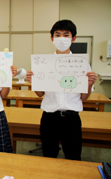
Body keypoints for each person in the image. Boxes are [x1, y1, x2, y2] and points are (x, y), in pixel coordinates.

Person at [26, 19, 98, 160]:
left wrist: (89, 83)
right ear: (52, 38)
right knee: (48, 155)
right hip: (49, 117)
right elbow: (40, 94)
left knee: (73, 156)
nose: (61, 39)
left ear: (73, 38)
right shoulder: (44, 62)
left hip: (72, 118)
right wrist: (33, 81)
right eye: (57, 35)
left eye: (66, 35)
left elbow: (84, 98)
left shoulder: (81, 63)